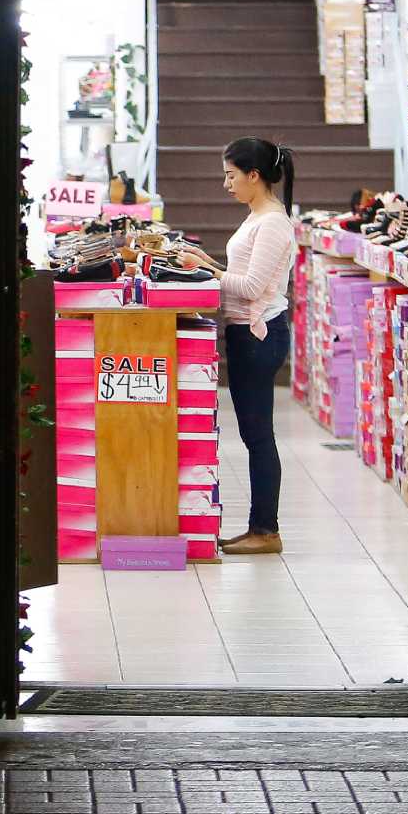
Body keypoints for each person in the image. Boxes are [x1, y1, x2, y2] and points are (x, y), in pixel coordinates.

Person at [177, 137, 297, 555]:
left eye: (231, 176)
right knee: (254, 434)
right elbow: (244, 276)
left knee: (259, 436)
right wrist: (206, 264)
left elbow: (250, 286)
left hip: (259, 335)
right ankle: (259, 527)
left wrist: (206, 269)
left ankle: (266, 529)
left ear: (254, 175)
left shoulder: (273, 223)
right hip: (246, 332)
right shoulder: (256, 217)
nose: (226, 184)